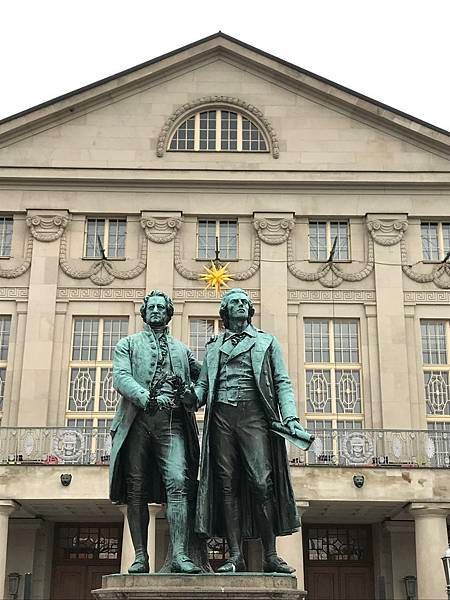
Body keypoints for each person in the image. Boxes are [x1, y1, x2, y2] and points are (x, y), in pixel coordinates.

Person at [194, 288, 306, 573]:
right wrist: (187, 394)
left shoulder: (266, 342)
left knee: (261, 482)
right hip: (221, 416)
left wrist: (290, 417)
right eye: (235, 302)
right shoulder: (213, 347)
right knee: (227, 484)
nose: (241, 305)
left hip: (254, 416)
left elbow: (282, 382)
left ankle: (270, 555)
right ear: (225, 311)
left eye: (245, 302)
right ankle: (234, 555)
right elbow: (202, 390)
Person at [109, 290, 201, 574]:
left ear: (169, 313)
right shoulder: (128, 344)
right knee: (136, 488)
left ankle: (180, 555)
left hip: (171, 423)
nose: (157, 311)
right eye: (153, 307)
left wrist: (190, 391)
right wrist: (146, 397)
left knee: (177, 481)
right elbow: (121, 377)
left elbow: (204, 379)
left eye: (162, 307)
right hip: (137, 422)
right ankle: (140, 556)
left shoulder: (182, 350)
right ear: (145, 312)